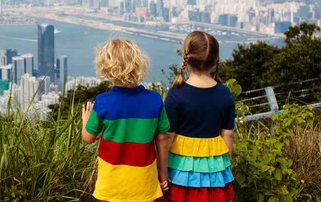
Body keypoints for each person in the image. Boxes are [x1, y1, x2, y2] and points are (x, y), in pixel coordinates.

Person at [82, 38, 171, 202]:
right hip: (144, 185)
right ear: (139, 63)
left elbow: (88, 138)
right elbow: (163, 139)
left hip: (111, 186)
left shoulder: (103, 102)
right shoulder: (154, 100)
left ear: (106, 68)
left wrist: (86, 119)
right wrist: (163, 173)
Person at [163, 31, 235, 202]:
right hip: (214, 173)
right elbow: (228, 134)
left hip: (180, 171)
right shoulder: (224, 93)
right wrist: (224, 165)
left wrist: (161, 170)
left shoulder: (175, 94)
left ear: (186, 57)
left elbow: (167, 137)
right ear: (215, 60)